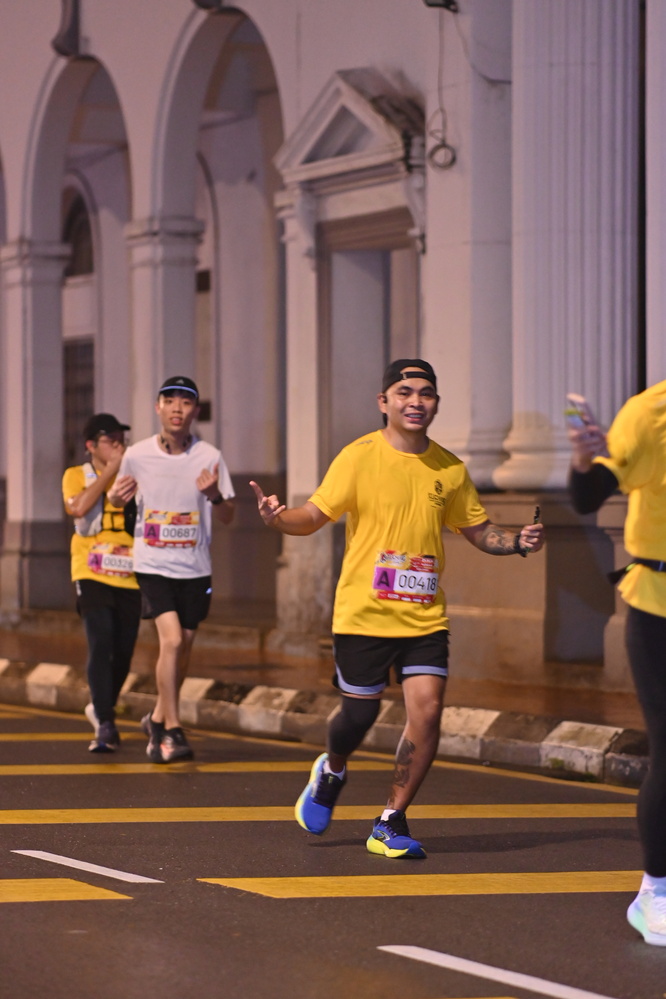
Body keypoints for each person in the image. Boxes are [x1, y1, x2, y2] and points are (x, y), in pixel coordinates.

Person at [251, 359, 544, 858]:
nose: (416, 401)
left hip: (425, 615)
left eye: (426, 393)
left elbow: (478, 530)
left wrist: (517, 541)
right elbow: (314, 516)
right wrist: (278, 519)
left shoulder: (450, 468)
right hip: (364, 613)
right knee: (358, 716)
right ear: (384, 401)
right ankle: (332, 769)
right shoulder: (358, 456)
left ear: (436, 403)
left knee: (427, 712)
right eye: (405, 392)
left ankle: (391, 820)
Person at [568, 381, 666, 946]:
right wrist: (584, 460)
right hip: (660, 609)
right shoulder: (650, 413)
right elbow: (589, 495)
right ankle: (654, 891)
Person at [108, 376, 235, 764]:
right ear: (158, 408)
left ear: (195, 411)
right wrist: (115, 497)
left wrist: (214, 495)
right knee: (173, 641)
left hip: (195, 567)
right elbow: (118, 499)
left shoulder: (210, 456)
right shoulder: (137, 455)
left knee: (185, 647)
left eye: (186, 402)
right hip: (152, 564)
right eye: (170, 401)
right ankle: (172, 729)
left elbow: (228, 515)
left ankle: (157, 718)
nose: (178, 408)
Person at [62, 413, 142, 752]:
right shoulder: (76, 475)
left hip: (130, 572)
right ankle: (106, 724)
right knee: (101, 639)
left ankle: (100, 706)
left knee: (123, 651)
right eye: (111, 440)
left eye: (122, 440)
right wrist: (109, 472)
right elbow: (78, 507)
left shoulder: (134, 476)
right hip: (90, 569)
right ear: (91, 445)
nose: (118, 447)